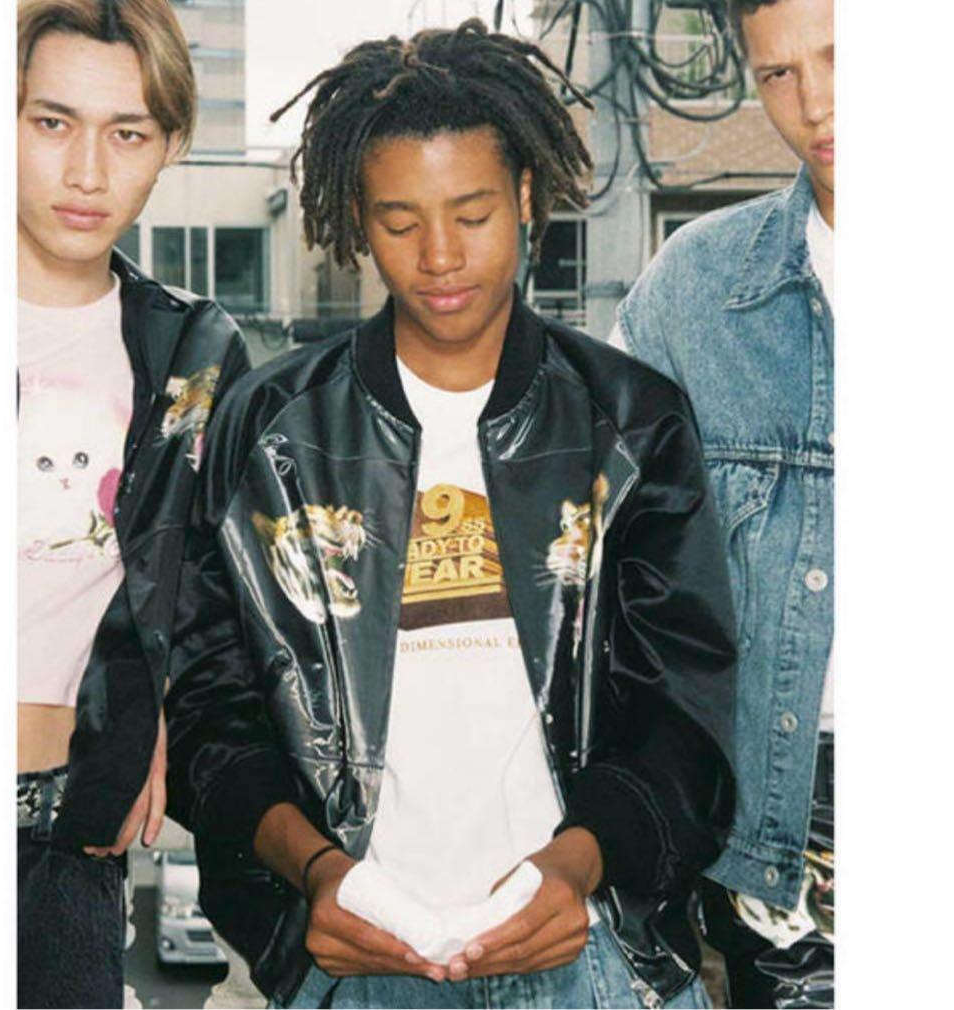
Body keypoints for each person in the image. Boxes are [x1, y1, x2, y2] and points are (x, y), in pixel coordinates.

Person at [165, 19, 737, 1010]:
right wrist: (316, 872)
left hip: (592, 953)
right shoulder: (271, 431)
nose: (438, 256)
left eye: (472, 213)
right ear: (357, 219)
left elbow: (685, 705)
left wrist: (581, 861)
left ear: (527, 196)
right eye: (399, 222)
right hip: (357, 960)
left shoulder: (629, 423)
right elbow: (211, 710)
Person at [16, 1, 249, 1005]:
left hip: (70, 842)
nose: (86, 172)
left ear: (171, 145)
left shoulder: (195, 353)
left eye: (128, 133)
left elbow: (218, 597)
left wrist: (160, 702)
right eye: (52, 122)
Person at [610, 0, 835, 1005]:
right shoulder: (696, 290)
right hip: (784, 827)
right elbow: (607, 560)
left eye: (840, 58)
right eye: (778, 73)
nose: (814, 104)